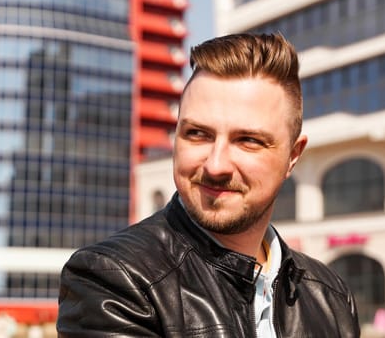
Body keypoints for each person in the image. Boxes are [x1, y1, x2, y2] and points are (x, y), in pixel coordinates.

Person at [57, 33, 360, 337]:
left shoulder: (331, 297)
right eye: (197, 134)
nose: (216, 166)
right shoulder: (113, 277)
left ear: (292, 156)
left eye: (248, 141)